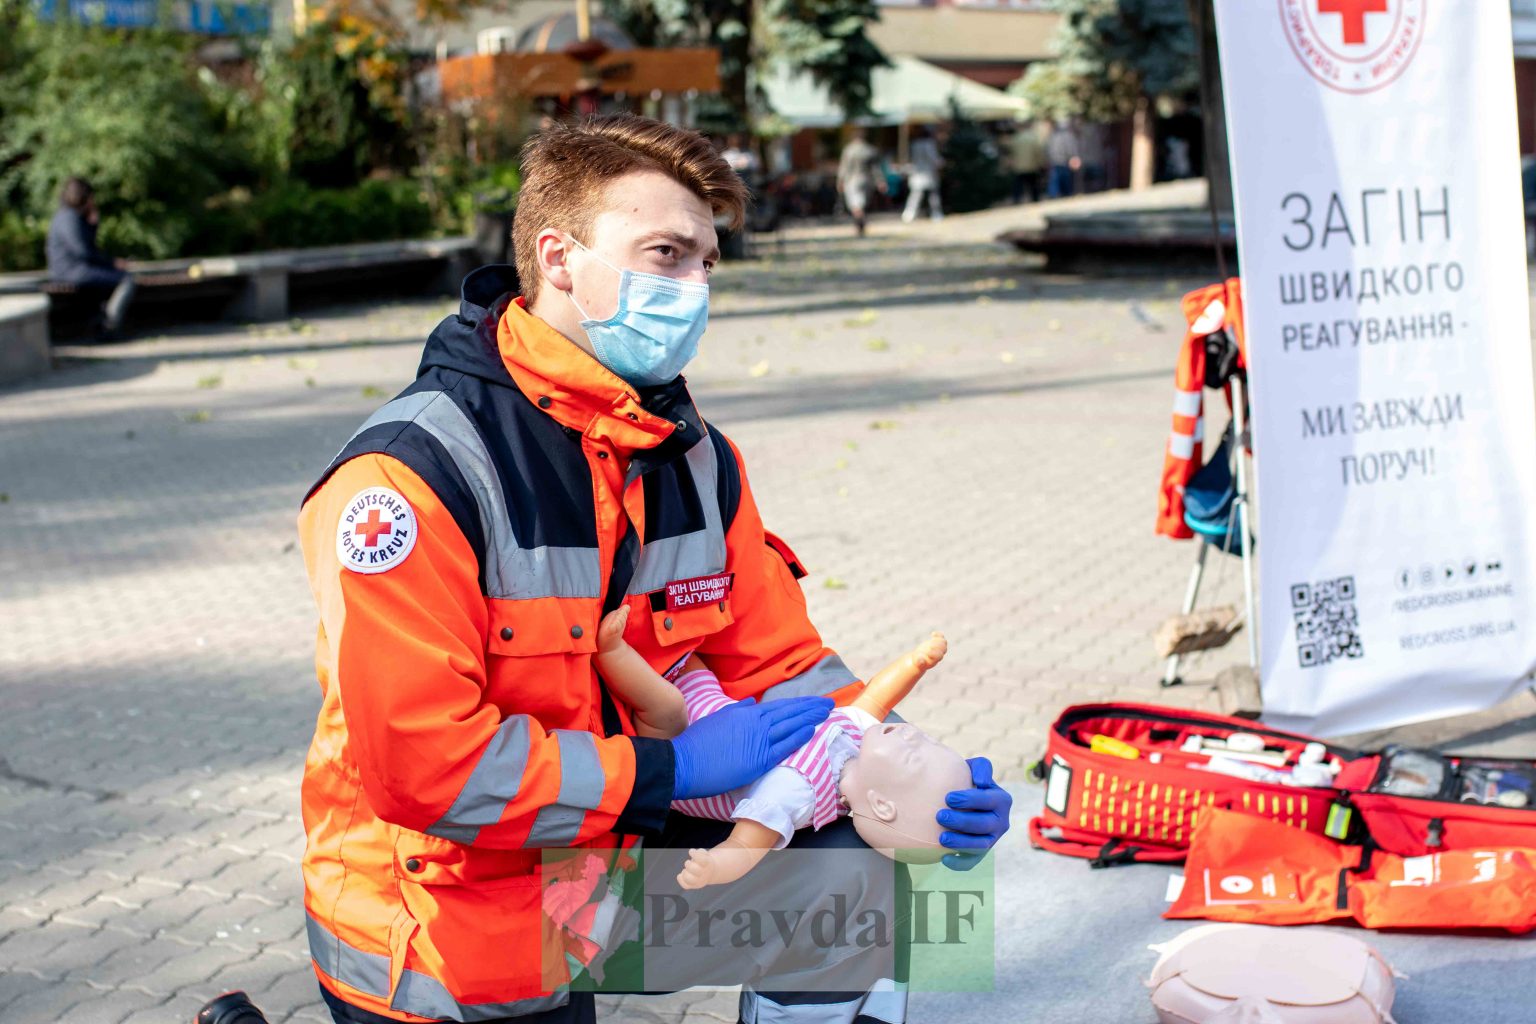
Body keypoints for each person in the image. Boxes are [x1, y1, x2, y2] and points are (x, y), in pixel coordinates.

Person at [296, 114, 1012, 1024]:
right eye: (666, 255)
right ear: (558, 259)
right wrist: (663, 770)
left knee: (894, 886)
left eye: (707, 263)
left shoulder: (691, 456)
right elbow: (424, 768)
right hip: (448, 928)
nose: (696, 289)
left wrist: (907, 769)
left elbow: (784, 665)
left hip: (598, 870)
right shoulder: (407, 479)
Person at [45, 177, 135, 338]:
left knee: (100, 285)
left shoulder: (70, 217)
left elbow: (87, 248)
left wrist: (92, 225)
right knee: (126, 279)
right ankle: (110, 325)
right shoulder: (69, 218)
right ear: (84, 197)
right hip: (71, 271)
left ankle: (100, 325)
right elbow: (83, 252)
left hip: (74, 269)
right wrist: (113, 263)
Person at [836, 127, 882, 237]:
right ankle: (860, 222)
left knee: (855, 204)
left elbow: (844, 168)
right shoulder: (869, 150)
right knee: (861, 203)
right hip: (866, 180)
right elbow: (876, 169)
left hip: (851, 181)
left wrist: (840, 181)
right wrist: (880, 181)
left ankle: (859, 222)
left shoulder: (848, 150)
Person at [901, 126, 943, 223]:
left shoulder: (914, 144)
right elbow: (933, 158)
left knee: (916, 195)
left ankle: (909, 214)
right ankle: (936, 214)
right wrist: (941, 163)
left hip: (917, 173)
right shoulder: (929, 144)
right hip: (927, 173)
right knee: (933, 195)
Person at [1007, 122, 1047, 205]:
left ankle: (1016, 200)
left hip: (1019, 166)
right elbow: (1038, 152)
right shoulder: (1033, 138)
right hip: (1032, 165)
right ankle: (1035, 200)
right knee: (1033, 185)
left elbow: (1011, 152)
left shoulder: (1016, 138)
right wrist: (1041, 163)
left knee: (1018, 185)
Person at [1046, 119, 1081, 199]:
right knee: (1065, 178)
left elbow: (1049, 149)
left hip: (1055, 160)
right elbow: (1071, 148)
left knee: (1055, 179)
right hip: (1064, 160)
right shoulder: (1068, 136)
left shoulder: (1053, 136)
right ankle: (1066, 193)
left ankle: (1054, 194)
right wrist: (1073, 156)